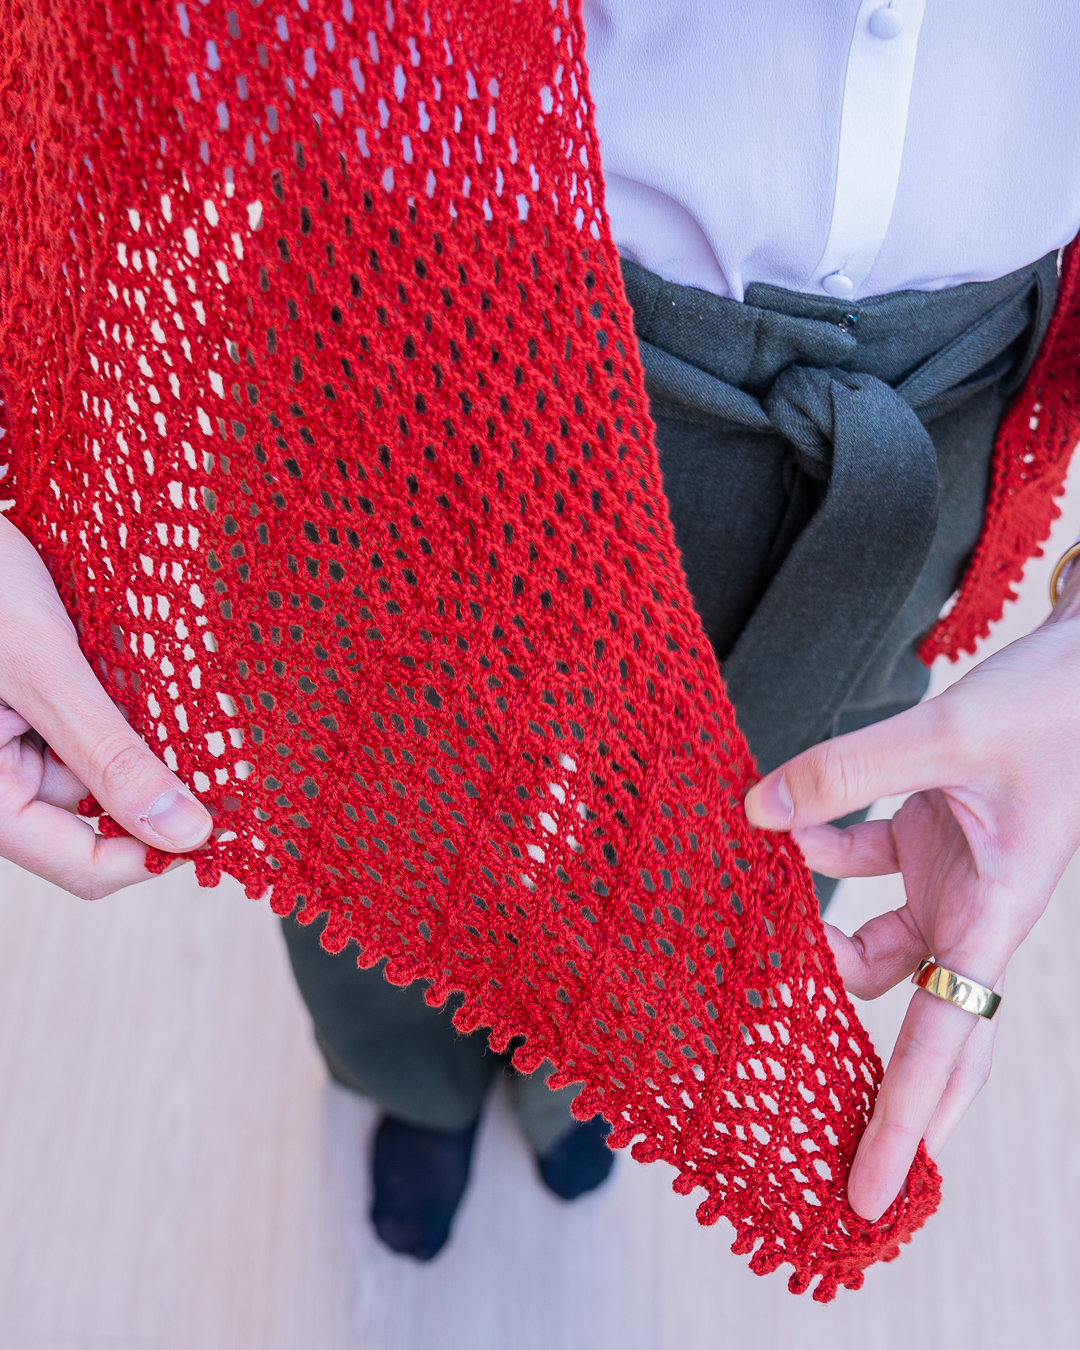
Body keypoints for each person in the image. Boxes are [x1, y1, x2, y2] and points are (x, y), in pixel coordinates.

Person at [1, 0, 1079, 1271]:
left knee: (769, 831)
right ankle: (410, 1080)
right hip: (431, 252)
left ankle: (588, 1088)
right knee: (373, 779)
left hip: (939, 391)